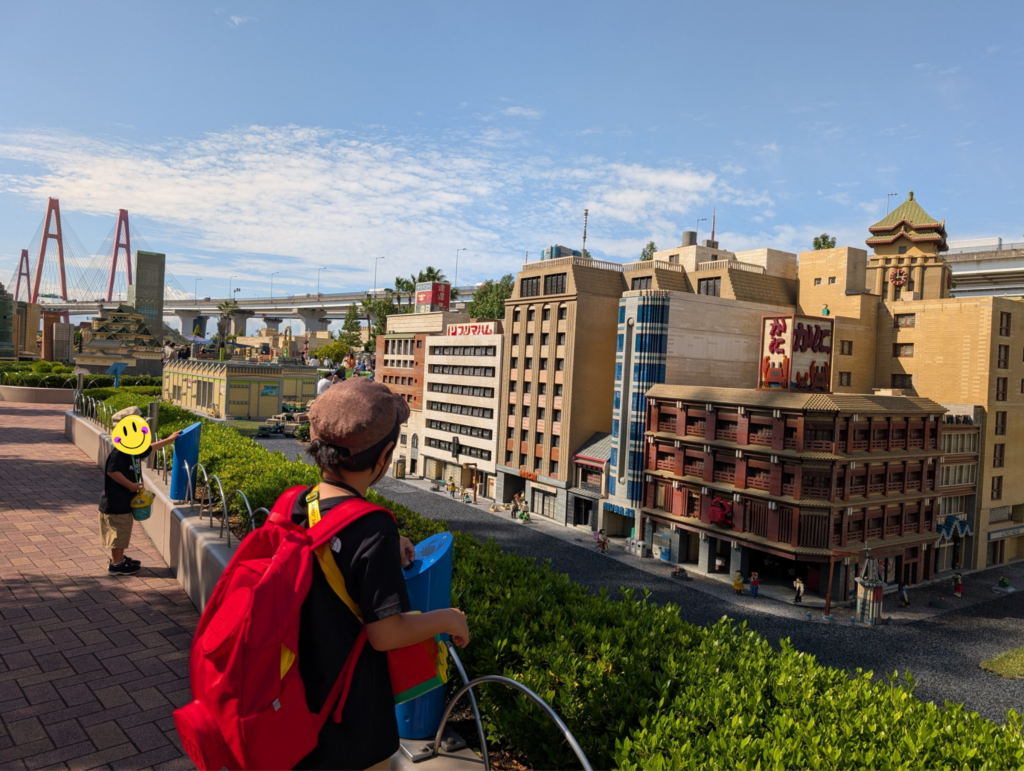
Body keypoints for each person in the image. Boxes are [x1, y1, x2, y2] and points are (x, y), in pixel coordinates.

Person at [298, 379, 469, 771]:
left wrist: (389, 545)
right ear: (385, 455)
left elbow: (332, 552)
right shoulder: (374, 528)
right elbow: (386, 634)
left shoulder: (301, 503)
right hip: (348, 720)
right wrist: (449, 619)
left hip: (298, 699)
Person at [99, 407, 180, 576]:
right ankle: (116, 565)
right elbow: (112, 472)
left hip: (123, 502)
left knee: (123, 532)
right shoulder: (119, 452)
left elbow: (150, 448)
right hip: (115, 502)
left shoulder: (132, 448)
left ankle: (118, 558)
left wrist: (169, 440)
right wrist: (131, 485)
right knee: (118, 534)